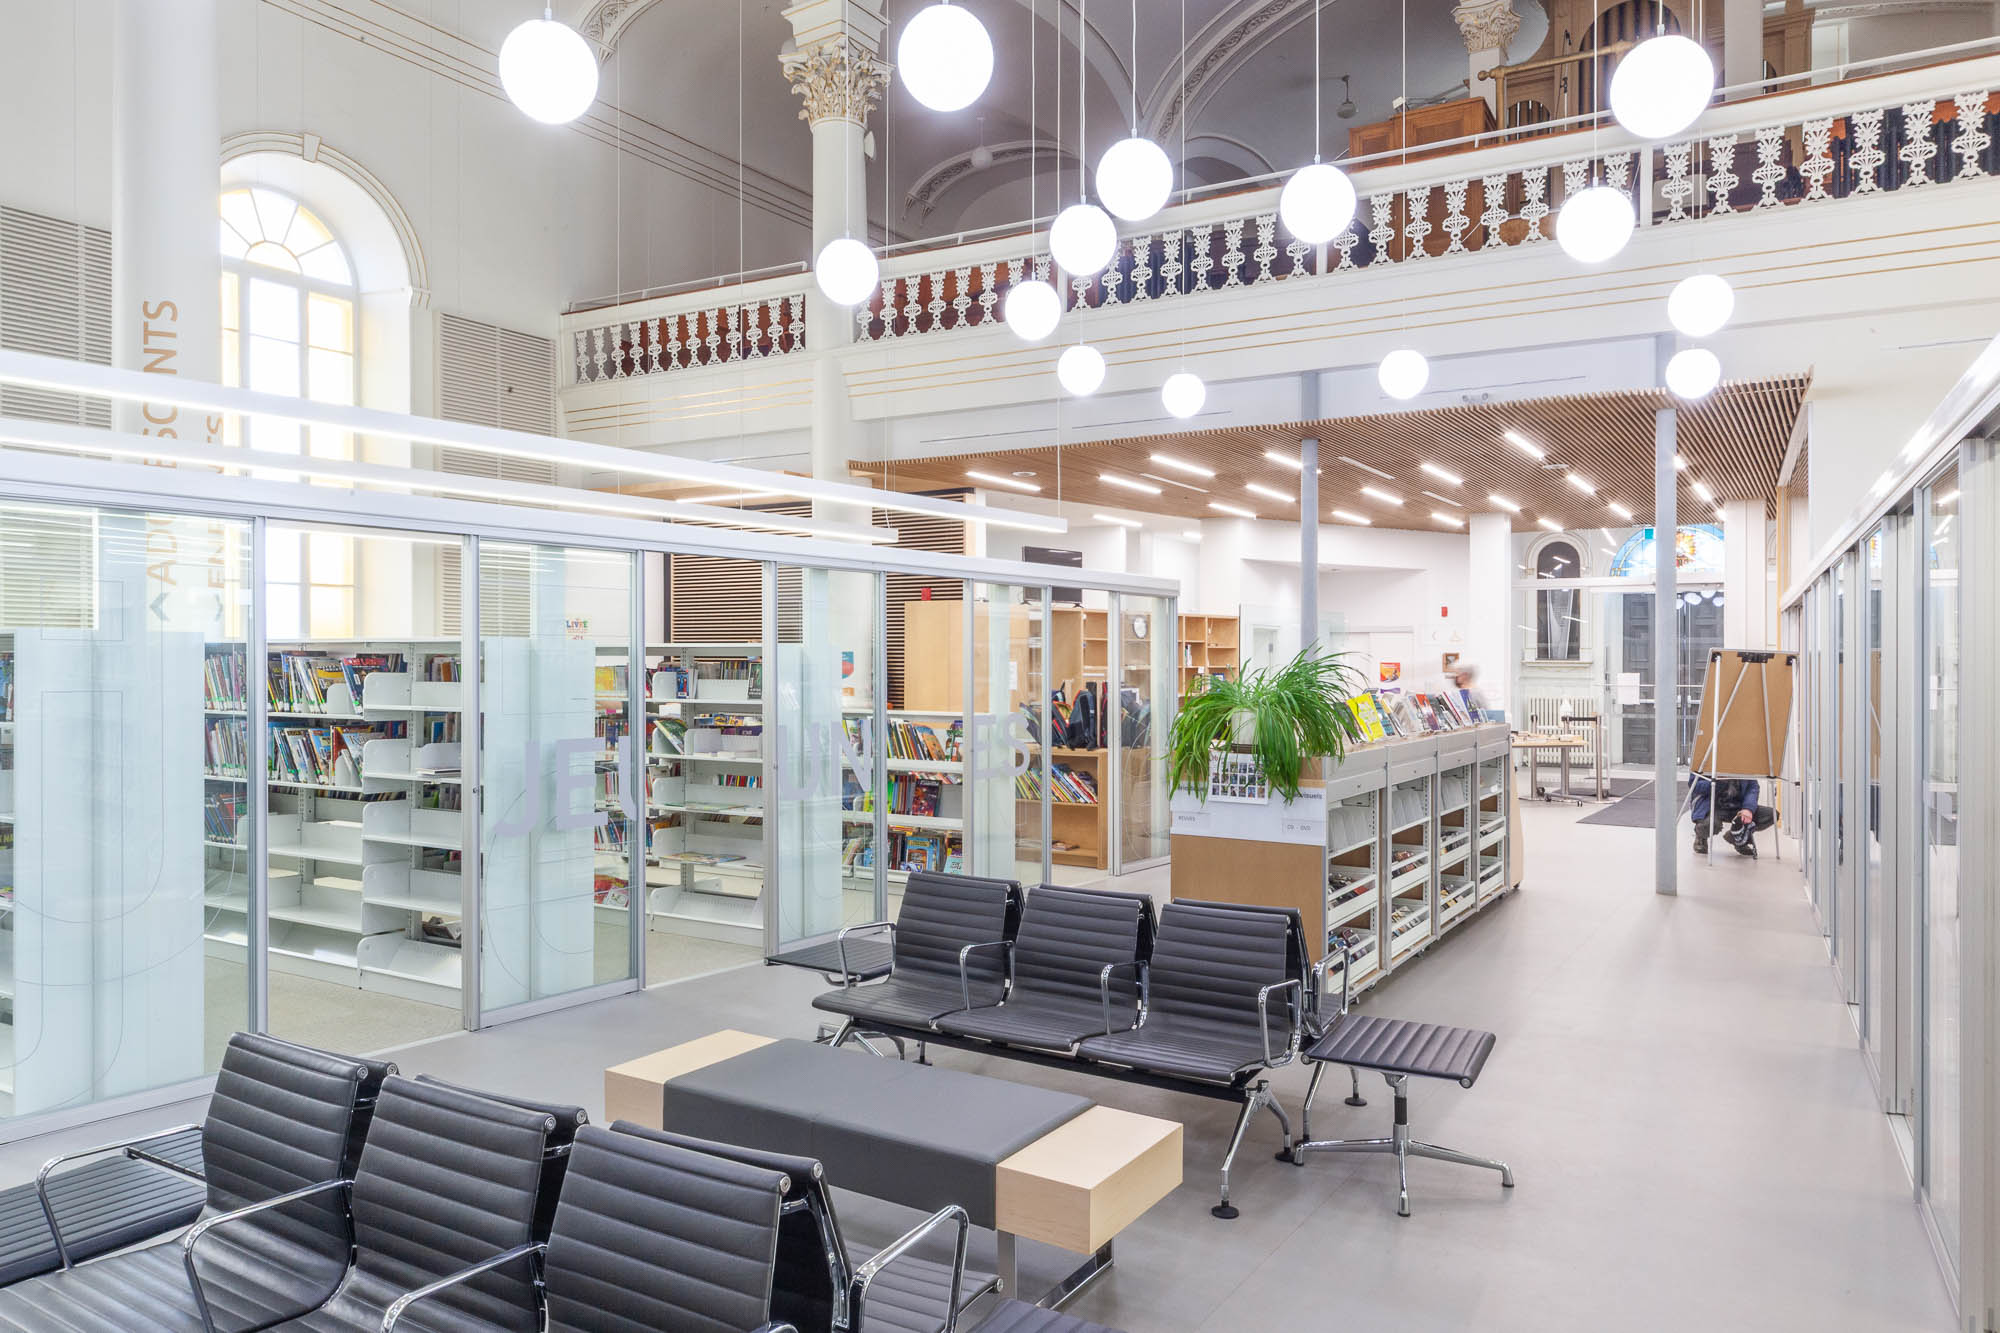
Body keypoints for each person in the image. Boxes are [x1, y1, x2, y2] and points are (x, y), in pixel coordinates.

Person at [1691, 777, 1775, 857]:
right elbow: (1694, 785)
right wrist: (1717, 781)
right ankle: (1701, 837)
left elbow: (1752, 788)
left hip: (1737, 807)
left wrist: (1748, 809)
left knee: (1771, 815)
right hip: (1712, 807)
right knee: (1710, 824)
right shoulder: (1706, 762)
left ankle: (1737, 838)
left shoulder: (1746, 763)